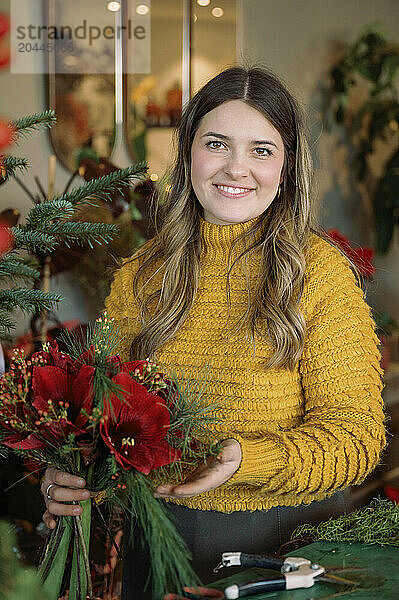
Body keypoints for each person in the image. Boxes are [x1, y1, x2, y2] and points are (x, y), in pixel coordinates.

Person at [41, 65, 386, 597]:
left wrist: (243, 459)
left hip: (283, 546)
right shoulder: (141, 275)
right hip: (155, 539)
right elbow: (100, 415)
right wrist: (65, 473)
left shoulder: (317, 273)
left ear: (288, 165)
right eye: (217, 143)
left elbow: (357, 440)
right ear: (187, 152)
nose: (236, 168)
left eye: (262, 150)